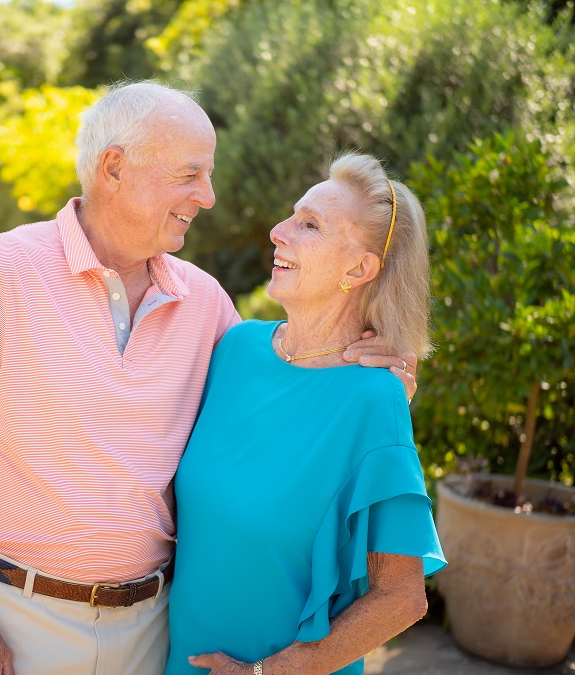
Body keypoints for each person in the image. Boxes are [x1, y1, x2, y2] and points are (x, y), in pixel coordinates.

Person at [0, 82, 419, 675]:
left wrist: (382, 371)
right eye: (190, 175)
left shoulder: (207, 305)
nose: (209, 197)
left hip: (154, 635)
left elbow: (286, 389)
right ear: (114, 167)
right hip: (13, 621)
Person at [165, 153, 447, 675]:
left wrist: (267, 673)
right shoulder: (236, 349)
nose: (277, 232)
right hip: (176, 657)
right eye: (292, 215)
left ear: (358, 269)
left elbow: (402, 598)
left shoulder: (375, 398)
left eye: (309, 225)